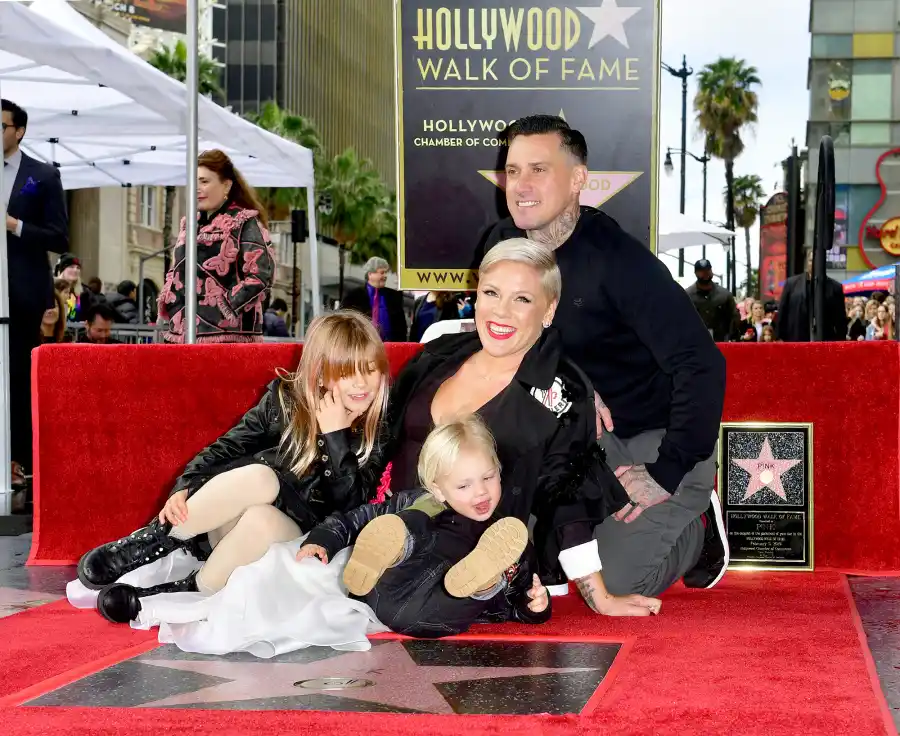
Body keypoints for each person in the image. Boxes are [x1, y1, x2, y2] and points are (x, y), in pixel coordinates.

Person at [474, 115, 728, 606]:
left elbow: (703, 364)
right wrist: (578, 384)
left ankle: (698, 528)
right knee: (515, 550)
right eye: (513, 169)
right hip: (575, 438)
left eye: (539, 170)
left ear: (577, 180)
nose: (520, 186)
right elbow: (509, 347)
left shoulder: (618, 260)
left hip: (653, 440)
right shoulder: (501, 246)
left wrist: (668, 470)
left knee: (614, 580)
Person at [380, 238, 655, 615]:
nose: (501, 312)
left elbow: (566, 492)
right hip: (390, 532)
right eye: (491, 293)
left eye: (522, 299)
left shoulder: (562, 390)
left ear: (549, 309)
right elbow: (379, 444)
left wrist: (599, 596)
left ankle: (696, 522)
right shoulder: (435, 357)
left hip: (477, 552)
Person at [74, 311, 390, 624]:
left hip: (301, 546)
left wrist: (335, 438)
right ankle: (151, 541)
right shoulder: (286, 400)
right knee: (262, 477)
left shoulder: (378, 432)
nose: (361, 383)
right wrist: (183, 487)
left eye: (371, 369)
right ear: (320, 374)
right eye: (347, 372)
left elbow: (351, 508)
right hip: (226, 528)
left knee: (261, 519)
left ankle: (190, 591)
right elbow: (228, 447)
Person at [298, 415, 556, 638]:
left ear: (499, 472)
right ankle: (400, 546)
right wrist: (324, 538)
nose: (480, 492)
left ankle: (484, 582)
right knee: (417, 517)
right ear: (438, 489)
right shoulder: (420, 502)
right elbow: (354, 519)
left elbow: (515, 601)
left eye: (488, 477)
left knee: (482, 586)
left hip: (436, 613)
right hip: (384, 587)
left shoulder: (506, 538)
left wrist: (533, 604)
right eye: (463, 485)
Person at [3, 98, 68, 489]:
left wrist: (14, 225)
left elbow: (59, 237)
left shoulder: (41, 175)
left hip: (22, 295)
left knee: (17, 380)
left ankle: (17, 462)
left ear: (19, 131)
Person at [158, 149, 275, 344]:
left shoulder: (243, 221)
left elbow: (261, 274)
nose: (197, 188)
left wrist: (225, 306)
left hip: (229, 339)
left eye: (204, 181)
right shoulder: (189, 224)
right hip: (181, 335)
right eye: (193, 181)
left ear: (226, 185)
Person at [777, 249, 847, 342]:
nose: (814, 263)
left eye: (818, 260)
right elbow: (782, 312)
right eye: (811, 260)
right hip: (795, 339)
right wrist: (779, 337)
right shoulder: (791, 284)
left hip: (825, 340)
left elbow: (840, 319)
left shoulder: (835, 287)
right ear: (807, 263)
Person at [341, 257, 408, 341]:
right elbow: (345, 323)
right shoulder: (354, 296)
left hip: (392, 346)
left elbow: (401, 326)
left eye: (386, 273)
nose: (385, 276)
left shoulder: (394, 296)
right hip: (363, 345)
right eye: (382, 273)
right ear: (370, 274)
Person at [685, 259, 741, 342]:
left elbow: (734, 317)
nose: (705, 273)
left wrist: (730, 337)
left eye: (708, 270)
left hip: (721, 342)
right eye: (702, 271)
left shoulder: (724, 295)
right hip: (695, 342)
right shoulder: (687, 295)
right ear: (696, 273)